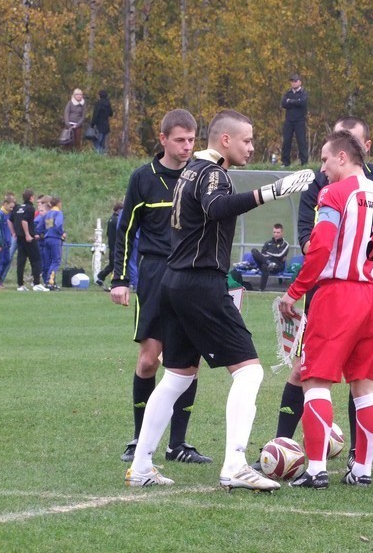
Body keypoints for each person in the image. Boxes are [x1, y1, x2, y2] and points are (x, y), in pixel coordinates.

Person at [124, 109, 314, 490]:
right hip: (200, 284)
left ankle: (142, 465)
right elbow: (216, 208)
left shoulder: (189, 170)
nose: (252, 147)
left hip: (174, 283)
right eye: (247, 140)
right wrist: (270, 191)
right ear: (225, 140)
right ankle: (235, 465)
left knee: (177, 375)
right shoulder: (212, 173)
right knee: (250, 371)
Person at [261, 115, 373, 474]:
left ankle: (316, 470)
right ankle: (363, 470)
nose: (322, 169)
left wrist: (294, 292)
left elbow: (320, 248)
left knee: (315, 379)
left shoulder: (335, 194)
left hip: (340, 295)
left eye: (325, 160)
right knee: (365, 385)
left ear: (343, 157)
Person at [111, 109, 211, 465]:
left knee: (187, 363)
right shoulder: (143, 178)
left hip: (191, 276)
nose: (187, 147)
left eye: (192, 140)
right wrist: (121, 279)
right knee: (149, 361)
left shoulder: (201, 176)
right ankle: (139, 439)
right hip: (154, 275)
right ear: (163, 139)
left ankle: (178, 444)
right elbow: (124, 230)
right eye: (180, 140)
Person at [13, 189, 48, 292]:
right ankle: (36, 283)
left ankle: (20, 285)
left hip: (19, 238)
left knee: (21, 261)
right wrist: (28, 234)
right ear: (31, 197)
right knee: (36, 259)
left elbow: (10, 220)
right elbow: (24, 221)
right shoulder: (30, 208)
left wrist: (14, 232)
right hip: (28, 238)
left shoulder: (19, 208)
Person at [250, 223, 289, 292]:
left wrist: (268, 254)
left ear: (282, 233)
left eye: (278, 232)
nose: (276, 234)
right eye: (274, 232)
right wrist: (267, 259)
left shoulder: (285, 244)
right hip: (266, 261)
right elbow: (262, 254)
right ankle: (268, 263)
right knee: (254, 251)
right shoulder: (268, 243)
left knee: (265, 266)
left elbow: (280, 255)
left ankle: (261, 289)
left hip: (277, 265)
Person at [280, 73, 308, 166]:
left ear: (300, 82)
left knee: (301, 141)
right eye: (292, 81)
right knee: (286, 141)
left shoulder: (303, 93)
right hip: (289, 120)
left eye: (295, 81)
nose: (294, 83)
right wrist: (295, 102)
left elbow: (302, 103)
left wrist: (291, 101)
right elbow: (283, 103)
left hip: (300, 121)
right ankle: (285, 162)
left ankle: (304, 162)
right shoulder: (288, 93)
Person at [96, 201, 123, 291]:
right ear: (119, 210)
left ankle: (100, 276)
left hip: (111, 245)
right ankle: (113, 282)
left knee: (112, 264)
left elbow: (108, 233)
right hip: (116, 246)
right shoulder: (117, 221)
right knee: (116, 265)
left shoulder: (111, 219)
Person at [42, 196, 66, 290]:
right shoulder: (58, 213)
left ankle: (47, 281)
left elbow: (44, 226)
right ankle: (50, 281)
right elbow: (58, 224)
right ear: (58, 203)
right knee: (56, 260)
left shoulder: (48, 214)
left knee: (48, 261)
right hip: (55, 238)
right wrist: (62, 233)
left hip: (47, 238)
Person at [0, 193, 16, 287]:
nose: (12, 209)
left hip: (8, 243)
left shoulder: (10, 215)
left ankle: (0, 279)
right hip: (1, 244)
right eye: (10, 207)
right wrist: (0, 242)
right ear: (5, 204)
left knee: (7, 261)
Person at [90, 90, 114, 154]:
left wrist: (92, 124)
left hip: (99, 126)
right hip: (106, 126)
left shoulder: (98, 104)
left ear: (99, 95)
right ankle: (103, 154)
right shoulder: (108, 104)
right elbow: (111, 113)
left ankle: (100, 155)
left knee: (96, 142)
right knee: (102, 142)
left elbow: (95, 115)